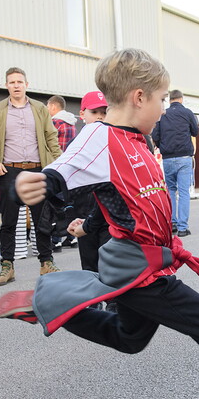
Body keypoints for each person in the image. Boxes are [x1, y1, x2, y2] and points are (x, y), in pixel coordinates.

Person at [0, 48, 199, 399]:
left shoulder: (139, 138)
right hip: (140, 270)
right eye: (161, 99)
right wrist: (38, 182)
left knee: (130, 339)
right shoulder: (99, 135)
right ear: (139, 97)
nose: (164, 109)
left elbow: (124, 197)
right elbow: (63, 172)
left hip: (148, 263)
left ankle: (47, 306)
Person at [0, 67, 64, 285]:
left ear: (27, 84)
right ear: (6, 85)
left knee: (41, 219)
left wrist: (58, 165)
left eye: (19, 81)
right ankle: (7, 265)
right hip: (9, 170)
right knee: (8, 221)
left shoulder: (39, 109)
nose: (16, 85)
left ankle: (47, 263)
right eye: (12, 82)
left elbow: (51, 137)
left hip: (37, 169)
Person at [71, 90, 113, 276]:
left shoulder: (114, 141)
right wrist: (69, 213)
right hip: (84, 215)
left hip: (108, 216)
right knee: (89, 267)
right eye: (95, 112)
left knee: (109, 264)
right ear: (82, 114)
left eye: (104, 113)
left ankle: (113, 303)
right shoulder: (76, 143)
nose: (100, 117)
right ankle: (94, 302)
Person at [151, 89, 199, 237]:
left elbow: (155, 135)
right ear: (181, 99)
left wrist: (162, 145)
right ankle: (183, 228)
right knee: (183, 192)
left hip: (167, 158)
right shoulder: (187, 113)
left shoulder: (163, 114)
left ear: (169, 99)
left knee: (171, 191)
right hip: (184, 157)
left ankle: (172, 223)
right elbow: (195, 131)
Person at [47, 95, 79, 250]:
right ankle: (71, 236)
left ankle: (56, 238)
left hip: (56, 166)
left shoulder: (55, 122)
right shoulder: (71, 123)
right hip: (70, 168)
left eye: (48, 107)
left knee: (54, 205)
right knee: (68, 203)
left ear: (54, 106)